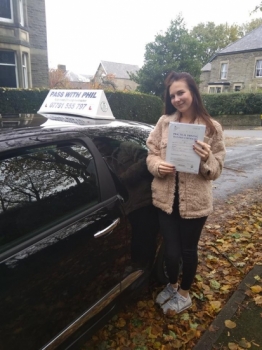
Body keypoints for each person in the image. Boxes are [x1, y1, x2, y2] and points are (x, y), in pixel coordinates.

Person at [146, 71, 226, 314]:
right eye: (172, 96)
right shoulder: (164, 123)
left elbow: (217, 168)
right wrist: (157, 166)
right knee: (171, 252)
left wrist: (207, 158)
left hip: (195, 202)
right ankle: (172, 285)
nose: (177, 99)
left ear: (193, 92)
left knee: (188, 251)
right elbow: (151, 153)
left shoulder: (212, 128)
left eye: (181, 92)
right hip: (166, 200)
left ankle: (184, 293)